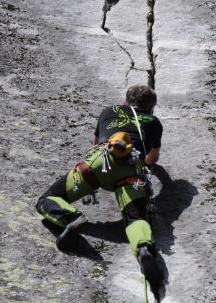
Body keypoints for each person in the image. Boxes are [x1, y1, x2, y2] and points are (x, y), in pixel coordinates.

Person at [36, 85, 163, 289]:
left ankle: (71, 217)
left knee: (48, 198)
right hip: (131, 171)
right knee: (134, 219)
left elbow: (95, 142)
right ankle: (143, 249)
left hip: (98, 164)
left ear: (125, 100)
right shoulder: (154, 122)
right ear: (152, 108)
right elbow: (152, 159)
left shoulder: (109, 111)